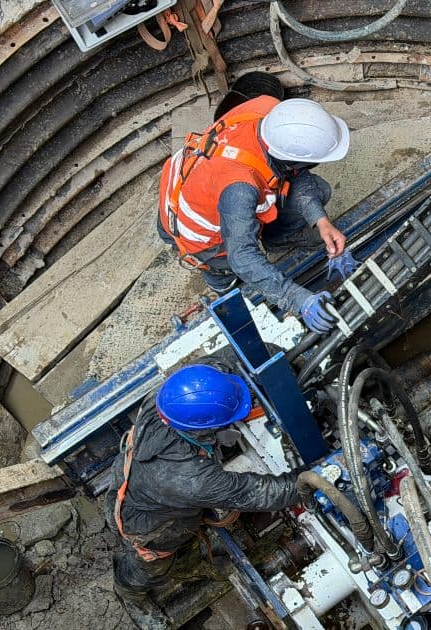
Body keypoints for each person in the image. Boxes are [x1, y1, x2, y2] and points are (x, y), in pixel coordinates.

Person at [107, 363, 301, 627]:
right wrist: (316, 479)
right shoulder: (191, 479)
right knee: (153, 562)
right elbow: (261, 493)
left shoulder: (168, 397)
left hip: (128, 476)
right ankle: (129, 590)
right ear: (203, 429)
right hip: (151, 526)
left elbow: (215, 367)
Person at [157, 95, 350, 333]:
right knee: (227, 271)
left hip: (192, 185)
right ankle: (223, 286)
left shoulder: (269, 109)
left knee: (318, 191)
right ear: (288, 159)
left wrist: (321, 221)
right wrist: (296, 298)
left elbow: (297, 174)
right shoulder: (239, 188)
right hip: (197, 235)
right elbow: (242, 256)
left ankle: (277, 239)